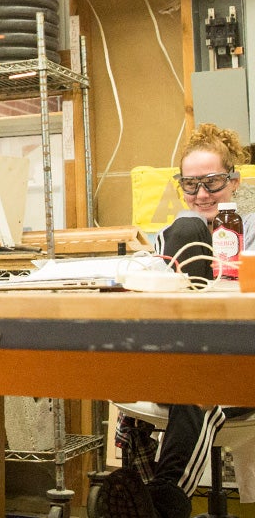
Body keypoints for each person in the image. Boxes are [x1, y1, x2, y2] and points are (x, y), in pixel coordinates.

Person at [96, 123, 255, 518]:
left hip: (240, 360)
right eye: (190, 184)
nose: (201, 194)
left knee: (202, 388)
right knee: (196, 381)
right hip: (181, 362)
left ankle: (160, 502)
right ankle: (166, 501)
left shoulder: (251, 233)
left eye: (213, 182)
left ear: (233, 181)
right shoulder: (171, 236)